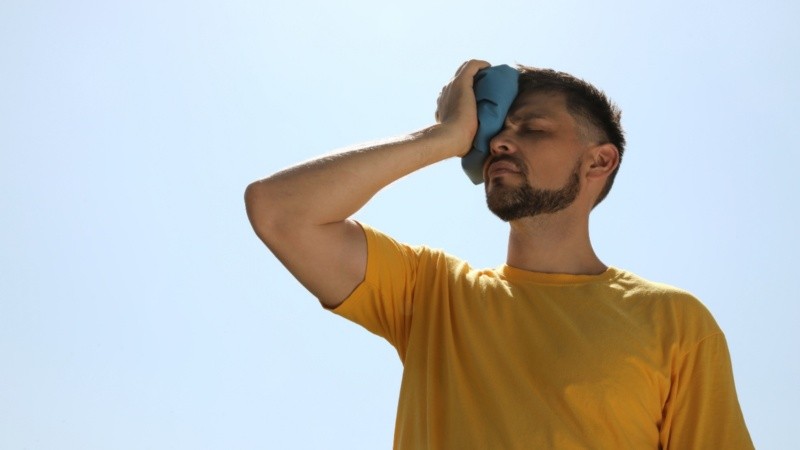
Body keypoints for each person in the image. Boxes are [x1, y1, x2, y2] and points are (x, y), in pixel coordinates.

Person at [244, 60, 754, 449]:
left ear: (599, 161)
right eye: (494, 132)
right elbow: (279, 211)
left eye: (531, 129)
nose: (501, 143)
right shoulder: (433, 293)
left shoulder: (674, 322)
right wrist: (442, 138)